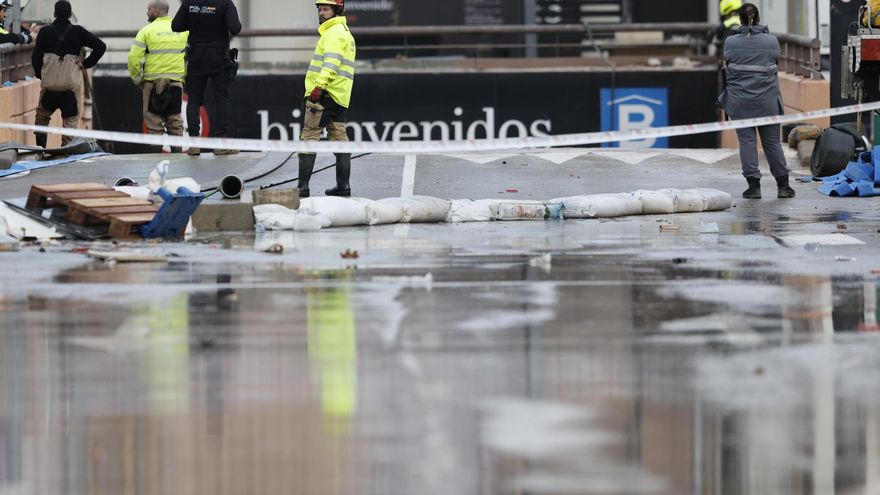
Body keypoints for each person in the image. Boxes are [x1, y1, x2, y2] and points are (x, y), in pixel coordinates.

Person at [718, 3, 795, 199]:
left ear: (740, 20)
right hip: (767, 100)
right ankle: (783, 186)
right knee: (772, 143)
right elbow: (775, 61)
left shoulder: (730, 42)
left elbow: (727, 62)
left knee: (747, 142)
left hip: (740, 101)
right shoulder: (771, 41)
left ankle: (753, 187)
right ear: (759, 18)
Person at [297, 0, 356, 198]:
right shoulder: (343, 31)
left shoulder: (334, 32)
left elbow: (331, 63)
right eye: (320, 9)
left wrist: (319, 86)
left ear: (336, 10)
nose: (321, 13)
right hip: (339, 97)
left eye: (326, 9)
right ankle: (343, 187)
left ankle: (302, 188)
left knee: (309, 138)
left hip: (323, 95)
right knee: (340, 139)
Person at [31, 0, 105, 148]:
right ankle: (66, 155)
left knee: (42, 118)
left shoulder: (44, 32)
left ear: (54, 13)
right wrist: (85, 64)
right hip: (70, 87)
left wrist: (42, 75)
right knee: (70, 123)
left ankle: (40, 151)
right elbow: (100, 46)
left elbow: (35, 58)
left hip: (49, 87)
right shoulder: (78, 31)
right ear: (70, 14)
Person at [172, 0, 241, 156]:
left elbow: (176, 26)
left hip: (196, 58)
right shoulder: (225, 3)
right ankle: (220, 144)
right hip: (218, 58)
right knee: (222, 99)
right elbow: (235, 28)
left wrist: (195, 21)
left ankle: (194, 144)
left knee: (194, 100)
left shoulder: (189, 3)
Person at [128, 0, 188, 152]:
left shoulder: (146, 31)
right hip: (175, 83)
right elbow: (192, 55)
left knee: (154, 126)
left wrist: (138, 80)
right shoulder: (183, 31)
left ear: (156, 11)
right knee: (175, 125)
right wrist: (183, 77)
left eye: (149, 9)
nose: (147, 12)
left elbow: (133, 58)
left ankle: (154, 164)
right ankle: (178, 163)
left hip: (152, 84)